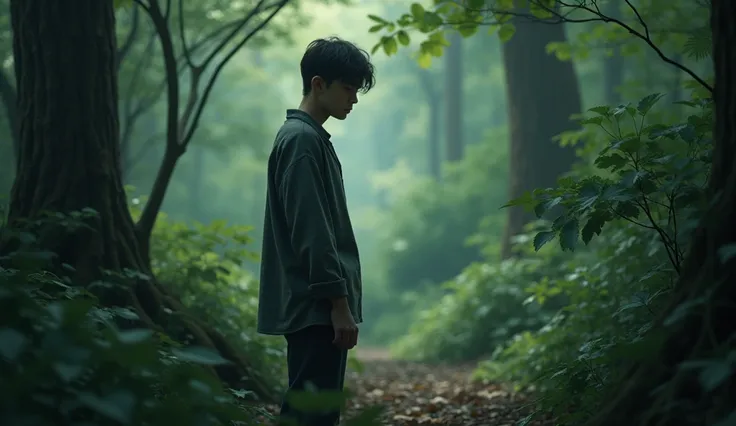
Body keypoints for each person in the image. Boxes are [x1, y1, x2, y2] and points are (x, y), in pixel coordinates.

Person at [256, 37, 376, 426]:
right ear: (319, 83)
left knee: (316, 411)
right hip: (315, 307)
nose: (353, 100)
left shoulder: (308, 138)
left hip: (316, 305)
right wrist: (337, 305)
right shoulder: (301, 140)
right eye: (348, 89)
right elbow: (312, 232)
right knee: (311, 414)